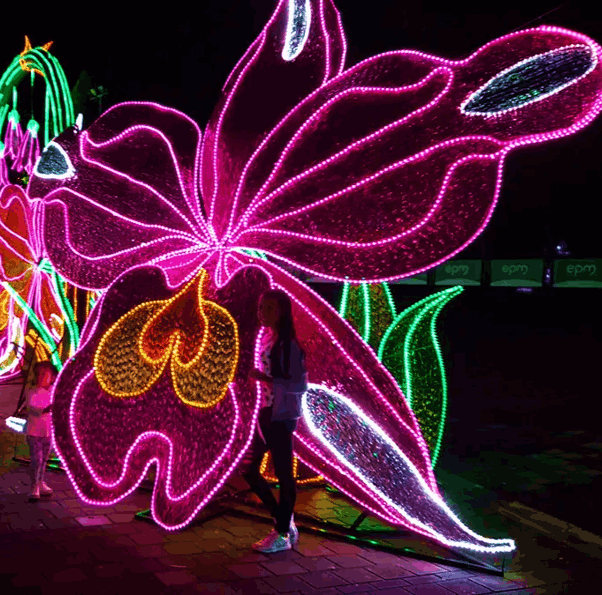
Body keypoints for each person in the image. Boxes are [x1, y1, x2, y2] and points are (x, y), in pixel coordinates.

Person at [243, 289, 308, 553]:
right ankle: (283, 521)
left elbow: (299, 384)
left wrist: (262, 377)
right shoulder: (268, 338)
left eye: (269, 308)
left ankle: (282, 533)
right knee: (249, 469)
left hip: (280, 414)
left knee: (284, 474)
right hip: (266, 411)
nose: (262, 313)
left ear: (281, 311)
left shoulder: (287, 343)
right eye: (261, 308)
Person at [25, 361, 57, 502]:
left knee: (44, 459)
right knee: (36, 460)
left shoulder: (53, 391)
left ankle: (41, 482)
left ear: (53, 377)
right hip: (34, 432)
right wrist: (46, 409)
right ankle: (34, 486)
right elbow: (32, 408)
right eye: (39, 374)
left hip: (48, 432)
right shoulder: (33, 392)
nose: (41, 377)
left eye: (45, 374)